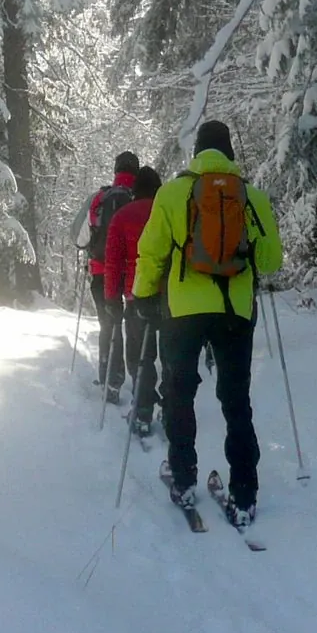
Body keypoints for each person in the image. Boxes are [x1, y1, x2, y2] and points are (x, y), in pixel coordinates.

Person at [129, 120, 282, 527]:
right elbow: (270, 262)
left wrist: (143, 295)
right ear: (230, 153)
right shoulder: (251, 197)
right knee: (236, 400)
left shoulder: (173, 192)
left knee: (179, 393)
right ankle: (244, 495)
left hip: (183, 312)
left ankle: (182, 478)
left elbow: (152, 252)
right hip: (235, 311)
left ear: (196, 152)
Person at [103, 166, 165, 437]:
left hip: (136, 296)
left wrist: (111, 299)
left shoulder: (122, 216)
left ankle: (142, 411)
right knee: (172, 358)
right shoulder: (169, 212)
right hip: (172, 297)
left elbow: (113, 263)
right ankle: (172, 408)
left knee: (141, 357)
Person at [74, 151, 140, 398]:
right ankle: (139, 382)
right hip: (136, 273)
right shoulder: (142, 197)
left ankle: (111, 381)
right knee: (135, 326)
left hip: (103, 271)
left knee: (109, 324)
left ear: (115, 171)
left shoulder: (99, 198)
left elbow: (79, 238)